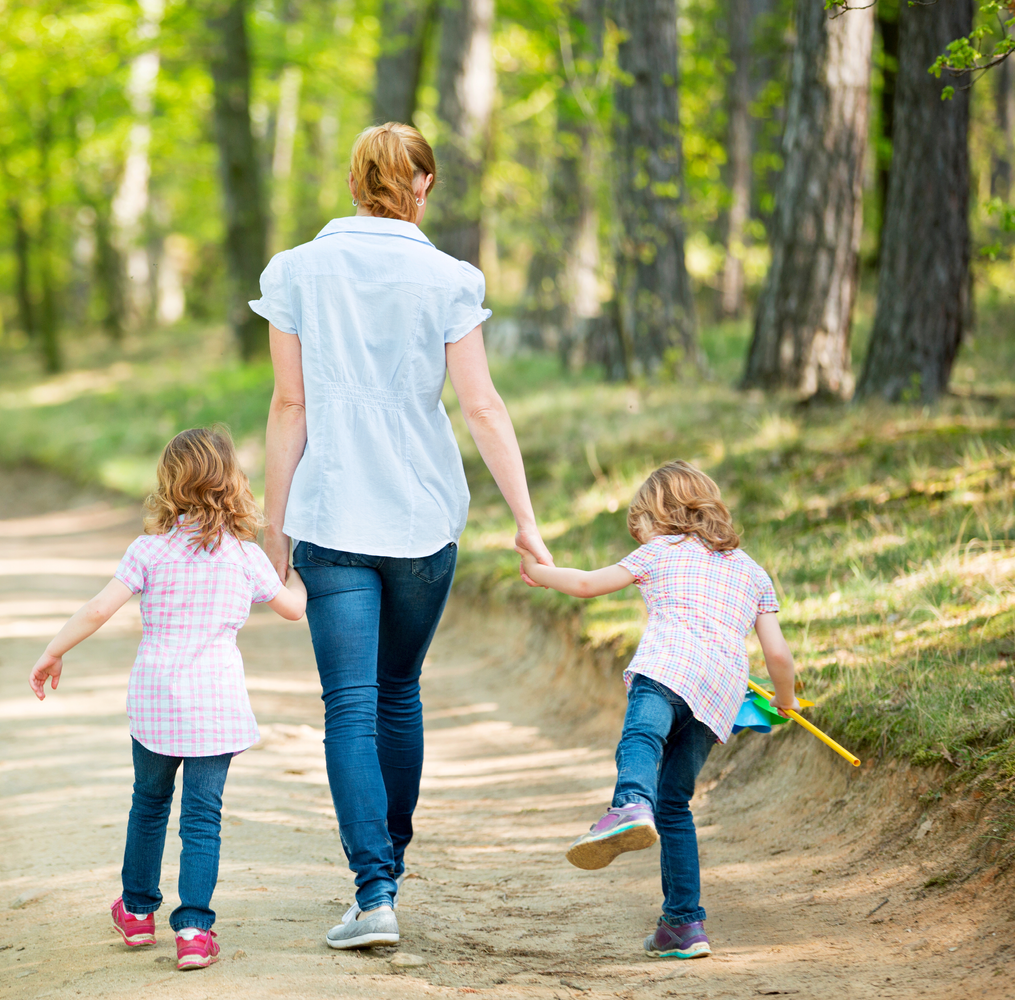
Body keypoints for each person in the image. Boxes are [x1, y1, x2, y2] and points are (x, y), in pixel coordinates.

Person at [251, 122, 552, 950]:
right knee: (397, 693)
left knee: (349, 707)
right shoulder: (450, 279)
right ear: (422, 187)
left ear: (354, 183)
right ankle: (393, 865)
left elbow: (289, 406)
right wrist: (526, 523)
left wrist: (274, 533)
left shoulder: (296, 272)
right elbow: (482, 406)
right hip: (422, 519)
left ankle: (373, 889)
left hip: (334, 514)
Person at [28, 427, 307, 971]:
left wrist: (52, 651)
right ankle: (196, 931)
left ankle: (136, 914)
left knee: (149, 805)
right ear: (234, 486)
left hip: (156, 702)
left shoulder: (148, 551)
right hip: (217, 708)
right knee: (203, 819)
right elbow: (293, 608)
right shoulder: (246, 559)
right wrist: (294, 570)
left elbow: (95, 610)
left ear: (168, 487)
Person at [520, 460, 799, 960]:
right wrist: (785, 700)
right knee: (674, 805)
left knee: (641, 740)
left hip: (668, 667)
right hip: (720, 695)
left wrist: (540, 572)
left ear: (660, 514)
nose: (638, 532)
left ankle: (628, 804)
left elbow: (585, 584)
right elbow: (778, 655)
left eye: (639, 523)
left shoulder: (661, 550)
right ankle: (684, 926)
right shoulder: (753, 571)